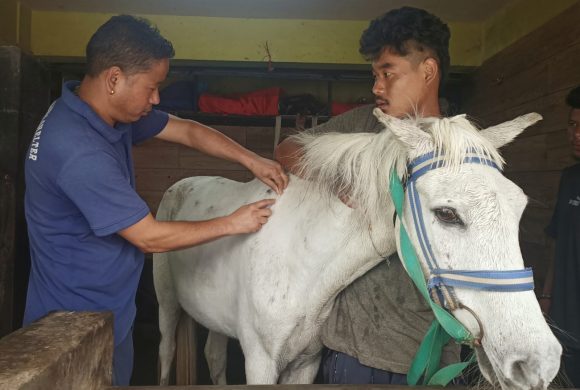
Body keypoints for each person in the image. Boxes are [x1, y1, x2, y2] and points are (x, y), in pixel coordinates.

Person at [23, 15, 288, 386]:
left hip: (111, 308)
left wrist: (250, 159)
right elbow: (148, 237)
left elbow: (187, 130)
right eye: (152, 87)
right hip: (71, 323)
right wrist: (234, 222)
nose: (156, 98)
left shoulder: (98, 111)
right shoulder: (77, 150)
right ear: (114, 79)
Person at [275, 6, 460, 384]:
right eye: (374, 75)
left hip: (427, 353)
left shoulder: (462, 149)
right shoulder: (363, 124)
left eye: (388, 73)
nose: (377, 87)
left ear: (428, 71)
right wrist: (337, 180)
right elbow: (288, 148)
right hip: (350, 349)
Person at [540, 85, 580, 388]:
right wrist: (547, 295)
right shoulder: (569, 178)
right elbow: (556, 240)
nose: (576, 134)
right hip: (566, 318)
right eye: (572, 125)